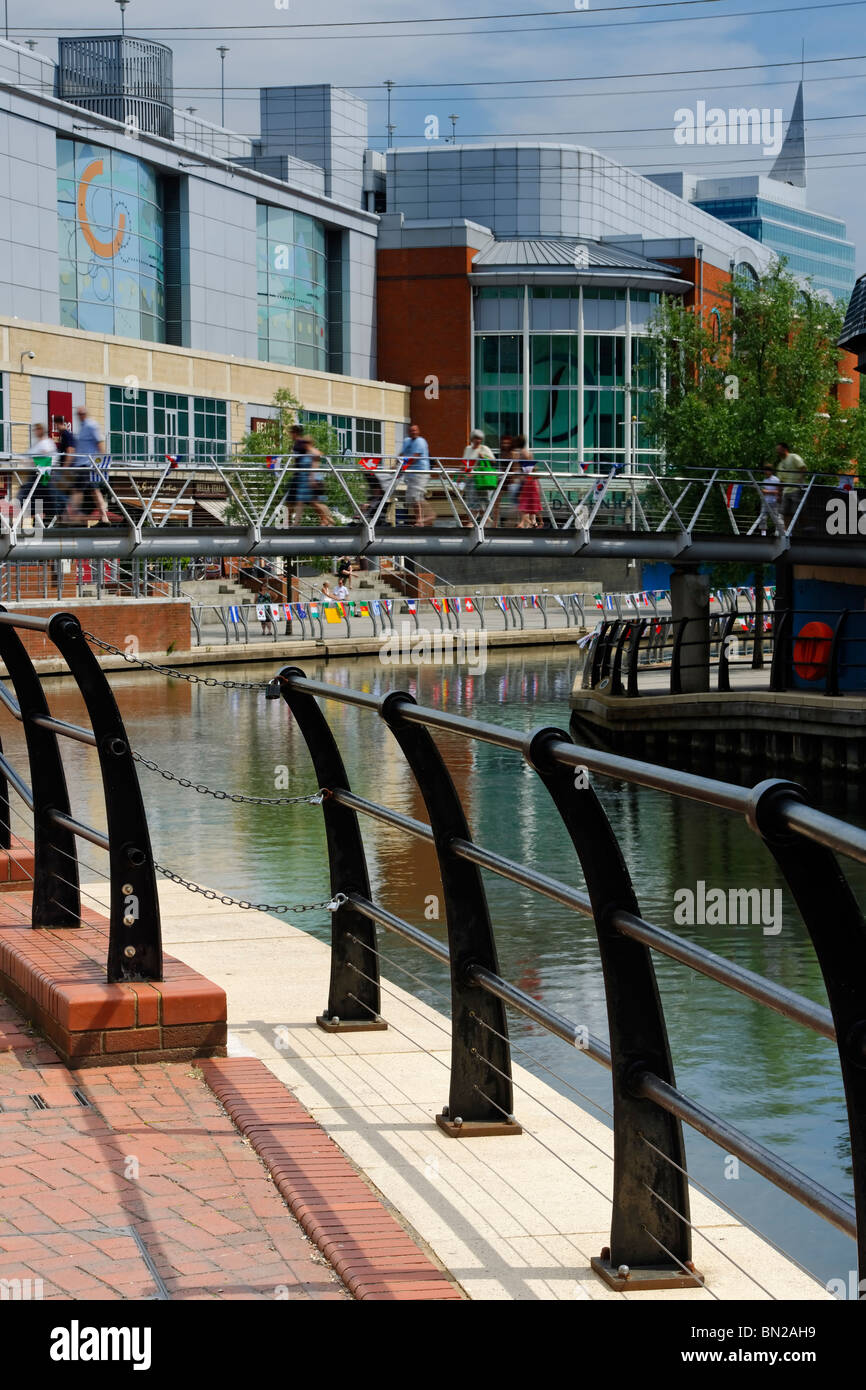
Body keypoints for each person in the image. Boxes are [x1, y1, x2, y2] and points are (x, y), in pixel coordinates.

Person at [68, 407, 110, 524]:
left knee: (77, 490)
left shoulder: (92, 425)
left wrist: (101, 465)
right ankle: (104, 517)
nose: (79, 416)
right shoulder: (81, 428)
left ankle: (72, 516)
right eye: (78, 414)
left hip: (87, 465)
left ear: (85, 414)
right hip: (82, 465)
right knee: (94, 491)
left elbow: (100, 444)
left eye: (81, 414)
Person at [17, 424, 63, 525]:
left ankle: (51, 521)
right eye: (35, 429)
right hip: (35, 475)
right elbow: (28, 458)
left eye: (38, 429)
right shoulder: (36, 444)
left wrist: (31, 461)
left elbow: (46, 457)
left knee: (43, 498)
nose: (36, 431)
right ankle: (37, 522)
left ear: (42, 430)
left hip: (44, 475)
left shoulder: (47, 442)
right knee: (31, 498)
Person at [460, 429, 497, 527]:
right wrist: (459, 477)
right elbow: (463, 464)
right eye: (476, 438)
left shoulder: (484, 448)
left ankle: (471, 522)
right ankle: (485, 520)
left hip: (481, 479)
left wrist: (483, 457)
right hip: (470, 479)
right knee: (473, 500)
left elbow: (493, 461)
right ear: (472, 439)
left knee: (480, 501)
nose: (478, 440)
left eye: (480, 439)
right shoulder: (468, 449)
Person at [400, 423, 434, 527]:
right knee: (413, 497)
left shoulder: (420, 441)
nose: (413, 432)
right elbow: (402, 454)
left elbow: (415, 458)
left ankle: (420, 521)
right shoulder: (407, 441)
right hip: (411, 474)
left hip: (421, 472)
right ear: (408, 432)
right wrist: (395, 465)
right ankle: (429, 516)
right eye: (411, 431)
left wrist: (401, 467)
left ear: (418, 431)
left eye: (415, 430)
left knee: (416, 496)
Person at [776, 442, 806, 528]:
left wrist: (800, 480)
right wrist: (779, 494)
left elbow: (803, 467)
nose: (777, 451)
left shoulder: (794, 457)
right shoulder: (780, 465)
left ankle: (805, 529)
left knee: (798, 511)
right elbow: (780, 481)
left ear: (784, 449)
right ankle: (787, 531)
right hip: (786, 492)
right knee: (786, 513)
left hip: (796, 489)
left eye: (779, 449)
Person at [515, 442, 542, 528]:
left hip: (532, 487)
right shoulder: (521, 464)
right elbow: (519, 475)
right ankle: (529, 523)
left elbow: (537, 476)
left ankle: (533, 522)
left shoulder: (532, 465)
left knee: (532, 506)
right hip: (526, 488)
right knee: (526, 505)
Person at [758, 463, 782, 536]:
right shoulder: (764, 480)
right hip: (765, 501)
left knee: (775, 518)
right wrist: (773, 492)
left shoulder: (776, 480)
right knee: (763, 518)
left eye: (766, 470)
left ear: (770, 471)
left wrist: (769, 492)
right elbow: (763, 491)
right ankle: (763, 534)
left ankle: (777, 533)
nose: (765, 472)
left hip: (774, 502)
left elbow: (779, 491)